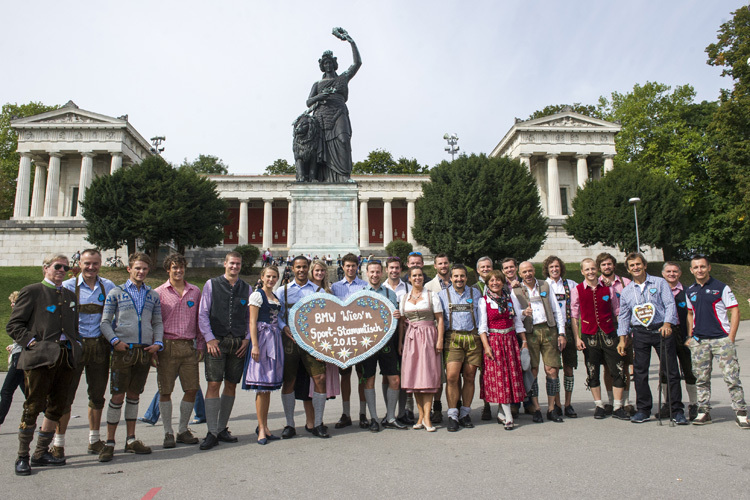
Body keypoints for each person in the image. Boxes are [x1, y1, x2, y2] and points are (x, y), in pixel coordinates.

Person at [7, 254, 82, 475]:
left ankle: (41, 452)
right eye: (57, 266)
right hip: (40, 358)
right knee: (33, 406)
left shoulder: (69, 294)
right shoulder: (32, 291)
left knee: (57, 405)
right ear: (46, 268)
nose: (62, 270)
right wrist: (32, 343)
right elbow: (14, 324)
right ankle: (22, 456)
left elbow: (73, 325)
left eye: (65, 267)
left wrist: (75, 343)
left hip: (65, 357)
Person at [99, 252, 164, 461]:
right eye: (137, 268)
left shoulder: (152, 295)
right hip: (123, 350)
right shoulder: (116, 293)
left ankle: (131, 439)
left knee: (134, 395)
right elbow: (105, 322)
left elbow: (157, 322)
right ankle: (109, 441)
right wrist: (114, 341)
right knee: (117, 396)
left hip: (144, 350)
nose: (141, 272)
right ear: (129, 269)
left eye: (144, 269)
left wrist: (158, 342)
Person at [58, 249, 116, 459]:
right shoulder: (66, 287)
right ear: (79, 264)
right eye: (87, 263)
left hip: (100, 346)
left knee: (97, 395)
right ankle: (58, 444)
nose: (91, 267)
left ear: (100, 264)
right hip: (74, 346)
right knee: (65, 395)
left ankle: (94, 440)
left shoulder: (108, 286)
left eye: (95, 263)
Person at [617, 252, 686, 424]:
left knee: (670, 371)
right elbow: (624, 316)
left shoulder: (659, 282)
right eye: (632, 265)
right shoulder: (627, 291)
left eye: (638, 264)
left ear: (644, 265)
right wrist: (622, 339)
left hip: (661, 331)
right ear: (628, 269)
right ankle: (643, 409)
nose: (636, 268)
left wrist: (668, 324)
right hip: (640, 333)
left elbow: (669, 304)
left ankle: (676, 409)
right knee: (640, 372)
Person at [685, 255, 747, 428]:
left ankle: (741, 412)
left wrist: (731, 337)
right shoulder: (690, 290)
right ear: (691, 270)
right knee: (701, 379)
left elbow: (735, 311)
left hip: (721, 340)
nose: (699, 270)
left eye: (702, 267)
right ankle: (704, 411)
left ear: (709, 268)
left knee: (731, 377)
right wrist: (690, 336)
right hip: (700, 342)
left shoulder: (721, 288)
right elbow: (690, 314)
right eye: (696, 267)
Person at [197, 251, 250, 450]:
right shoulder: (211, 284)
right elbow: (203, 313)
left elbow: (248, 318)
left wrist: (246, 339)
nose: (234, 267)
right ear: (225, 264)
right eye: (232, 263)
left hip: (237, 343)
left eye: (238, 264)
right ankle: (211, 432)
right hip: (216, 341)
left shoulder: (247, 288)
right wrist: (209, 338)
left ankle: (221, 428)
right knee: (213, 384)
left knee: (231, 385)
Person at [154, 253, 204, 449]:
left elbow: (200, 320)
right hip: (167, 345)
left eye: (181, 267)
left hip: (189, 346)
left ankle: (182, 429)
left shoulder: (194, 291)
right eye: (174, 267)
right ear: (168, 269)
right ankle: (168, 431)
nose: (178, 270)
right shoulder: (158, 292)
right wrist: (155, 347)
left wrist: (200, 343)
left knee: (191, 389)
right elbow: (154, 322)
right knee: (165, 390)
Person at [570, 258, 628, 420]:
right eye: (587, 269)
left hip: (609, 332)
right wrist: (577, 338)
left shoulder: (608, 289)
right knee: (592, 370)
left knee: (617, 369)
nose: (590, 272)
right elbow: (574, 316)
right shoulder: (577, 290)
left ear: (597, 270)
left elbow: (618, 311)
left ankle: (617, 406)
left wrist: (622, 336)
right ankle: (599, 405)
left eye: (593, 269)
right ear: (582, 271)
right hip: (590, 334)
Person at [278, 256, 330, 438]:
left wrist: (324, 346)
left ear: (308, 268)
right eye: (297, 267)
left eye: (304, 267)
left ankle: (318, 423)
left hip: (312, 342)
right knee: (289, 381)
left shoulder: (318, 290)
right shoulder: (282, 291)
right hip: (290, 342)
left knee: (320, 378)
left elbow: (326, 317)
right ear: (292, 268)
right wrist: (282, 326)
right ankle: (290, 424)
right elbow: (276, 314)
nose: (301, 270)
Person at [512, 261, 566, 423]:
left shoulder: (545, 285)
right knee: (532, 370)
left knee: (552, 370)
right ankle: (536, 407)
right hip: (530, 332)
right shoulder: (516, 290)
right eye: (524, 272)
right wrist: (523, 313)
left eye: (530, 270)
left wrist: (561, 332)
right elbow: (516, 316)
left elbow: (556, 310)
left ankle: (551, 408)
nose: (528, 274)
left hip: (549, 329)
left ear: (534, 270)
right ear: (519, 274)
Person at [305, 28, 361, 182]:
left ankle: (343, 176)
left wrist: (350, 41)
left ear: (334, 64)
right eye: (325, 63)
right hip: (321, 116)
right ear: (322, 66)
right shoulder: (317, 84)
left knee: (343, 140)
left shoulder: (343, 78)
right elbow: (308, 102)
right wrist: (320, 96)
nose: (328, 65)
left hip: (339, 113)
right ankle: (324, 178)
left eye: (330, 62)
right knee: (321, 148)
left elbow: (357, 63)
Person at [477, 270, 527, 430]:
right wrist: (486, 347)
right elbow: (482, 327)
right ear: (487, 283)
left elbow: (517, 321)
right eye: (491, 281)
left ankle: (501, 412)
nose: (495, 283)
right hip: (495, 342)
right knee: (501, 379)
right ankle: (509, 417)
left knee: (510, 377)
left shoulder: (510, 298)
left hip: (510, 340)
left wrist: (524, 340)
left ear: (502, 282)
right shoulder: (483, 301)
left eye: (498, 280)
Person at [399, 266, 444, 432]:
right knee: (415, 379)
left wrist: (439, 340)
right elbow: (402, 323)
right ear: (409, 278)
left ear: (423, 278)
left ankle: (427, 416)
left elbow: (440, 319)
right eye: (414, 275)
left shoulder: (432, 296)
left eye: (420, 275)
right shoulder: (404, 298)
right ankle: (420, 416)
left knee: (428, 377)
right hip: (411, 338)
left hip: (428, 336)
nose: (417, 278)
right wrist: (400, 343)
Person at [361, 260, 405, 431]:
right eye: (372, 272)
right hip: (368, 346)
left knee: (394, 380)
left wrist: (397, 315)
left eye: (378, 272)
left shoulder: (390, 293)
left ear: (382, 273)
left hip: (387, 343)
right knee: (369, 380)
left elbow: (398, 319)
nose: (374, 275)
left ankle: (391, 417)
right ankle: (373, 418)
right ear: (367, 273)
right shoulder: (361, 294)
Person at [438, 264, 481, 432]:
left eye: (462, 276)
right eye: (456, 276)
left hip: (472, 337)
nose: (459, 279)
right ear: (451, 277)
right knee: (452, 377)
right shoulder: (442, 295)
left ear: (466, 278)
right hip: (453, 338)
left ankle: (465, 413)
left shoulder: (475, 293)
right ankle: (452, 413)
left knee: (470, 377)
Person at [244, 266, 284, 444]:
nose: (271, 279)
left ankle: (265, 426)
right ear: (262, 277)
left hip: (274, 340)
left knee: (267, 387)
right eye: (268, 276)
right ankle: (260, 427)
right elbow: (252, 321)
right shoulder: (257, 295)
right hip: (261, 340)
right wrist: (254, 345)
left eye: (274, 276)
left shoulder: (275, 297)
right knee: (261, 387)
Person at [331, 253, 368, 429]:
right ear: (342, 266)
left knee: (361, 376)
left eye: (353, 266)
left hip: (360, 338)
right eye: (347, 266)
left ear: (357, 267)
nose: (350, 269)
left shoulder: (365, 286)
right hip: (343, 340)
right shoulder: (335, 288)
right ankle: (346, 413)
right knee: (344, 376)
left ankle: (363, 413)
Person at [597, 252, 633, 415]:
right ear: (599, 267)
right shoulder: (596, 284)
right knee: (608, 367)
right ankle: (611, 401)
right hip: (606, 328)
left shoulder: (625, 283)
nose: (607, 267)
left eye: (609, 264)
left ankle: (625, 401)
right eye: (603, 264)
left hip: (624, 326)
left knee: (624, 365)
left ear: (614, 265)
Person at [661, 262, 698, 420]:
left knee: (689, 370)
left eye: (675, 271)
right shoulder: (658, 292)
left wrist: (691, 335)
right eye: (668, 271)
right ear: (663, 274)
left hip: (683, 334)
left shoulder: (688, 292)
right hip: (665, 335)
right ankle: (667, 403)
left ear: (680, 273)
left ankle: (694, 403)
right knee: (666, 371)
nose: (671, 274)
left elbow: (693, 316)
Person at [543, 255, 579, 418]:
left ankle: (568, 403)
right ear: (547, 270)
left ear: (561, 268)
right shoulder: (544, 285)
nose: (554, 269)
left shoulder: (571, 285)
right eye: (551, 267)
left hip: (569, 329)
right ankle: (556, 403)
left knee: (569, 368)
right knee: (554, 369)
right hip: (552, 330)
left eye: (556, 266)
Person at [383, 256, 415, 424]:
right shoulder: (381, 289)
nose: (394, 271)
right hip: (386, 337)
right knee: (387, 376)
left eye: (397, 268)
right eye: (391, 268)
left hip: (405, 335)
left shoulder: (409, 288)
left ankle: (402, 412)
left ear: (401, 270)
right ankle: (389, 412)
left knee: (403, 375)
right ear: (386, 270)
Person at [471, 255, 494, 421]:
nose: (485, 269)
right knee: (482, 371)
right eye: (482, 267)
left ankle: (504, 403)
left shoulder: (498, 285)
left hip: (498, 332)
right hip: (479, 334)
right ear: (478, 270)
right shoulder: (473, 288)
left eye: (488, 267)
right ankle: (486, 404)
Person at [0, 292, 26, 434]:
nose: (11, 305)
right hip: (19, 354)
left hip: (21, 358)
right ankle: (51, 417)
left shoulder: (24, 316)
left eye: (14, 302)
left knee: (6, 390)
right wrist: (13, 346)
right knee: (29, 394)